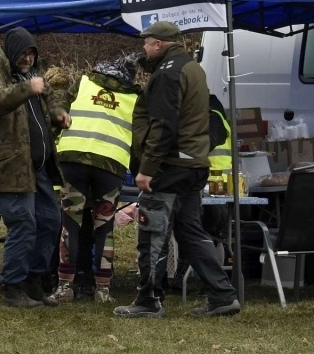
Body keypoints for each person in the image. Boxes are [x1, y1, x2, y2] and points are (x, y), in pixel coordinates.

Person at [119, 20, 241, 320]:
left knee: (153, 233)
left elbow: (163, 125)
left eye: (146, 42)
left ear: (158, 43)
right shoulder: (192, 68)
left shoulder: (167, 73)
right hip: (193, 164)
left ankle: (148, 300)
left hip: (170, 166)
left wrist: (147, 168)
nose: (144, 48)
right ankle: (222, 295)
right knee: (191, 233)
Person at [0, 27, 69, 307]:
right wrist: (26, 89)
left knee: (50, 221)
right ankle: (13, 286)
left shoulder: (31, 74)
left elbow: (46, 102)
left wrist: (58, 114)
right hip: (9, 166)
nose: (28, 59)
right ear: (12, 52)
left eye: (32, 54)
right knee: (23, 223)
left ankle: (33, 281)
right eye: (24, 54)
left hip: (37, 165)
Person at [52, 55, 140, 304]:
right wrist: (140, 171)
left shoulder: (83, 82)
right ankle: (102, 290)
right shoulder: (134, 96)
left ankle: (64, 287)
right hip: (110, 165)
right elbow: (139, 139)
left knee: (70, 224)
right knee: (104, 226)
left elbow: (57, 111)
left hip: (73, 160)